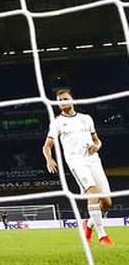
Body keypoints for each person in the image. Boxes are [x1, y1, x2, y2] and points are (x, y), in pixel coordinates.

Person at [43, 88, 113, 246]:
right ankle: (103, 236)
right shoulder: (57, 122)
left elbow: (97, 140)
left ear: (72, 99)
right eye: (59, 100)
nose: (62, 102)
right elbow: (46, 146)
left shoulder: (86, 118)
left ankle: (88, 226)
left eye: (65, 99)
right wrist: (49, 159)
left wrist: (97, 146)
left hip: (94, 160)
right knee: (92, 192)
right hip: (76, 161)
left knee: (107, 203)